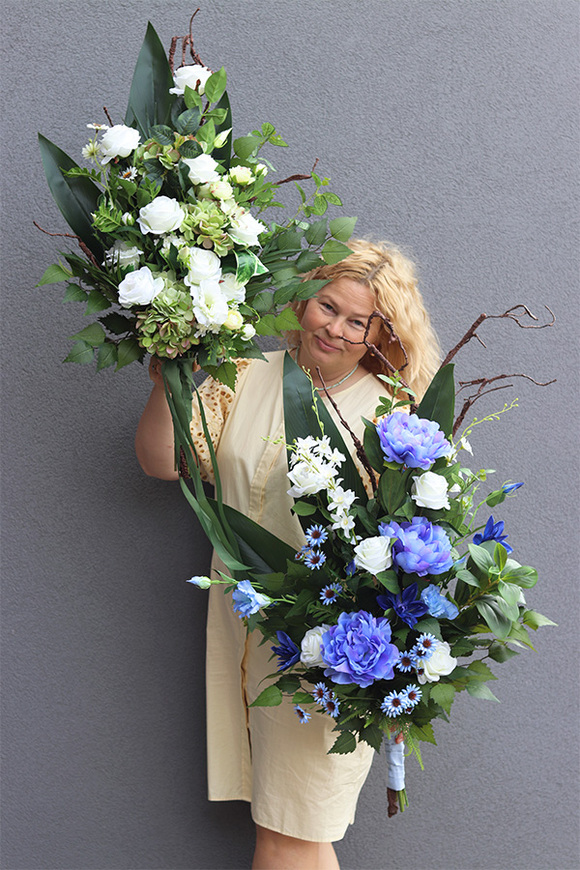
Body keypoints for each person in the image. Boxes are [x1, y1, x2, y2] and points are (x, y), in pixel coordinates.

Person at [135, 239, 441, 869]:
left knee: (292, 828)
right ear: (303, 300)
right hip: (243, 625)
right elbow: (164, 463)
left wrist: (399, 665)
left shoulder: (394, 415)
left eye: (358, 321)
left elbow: (415, 548)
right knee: (284, 827)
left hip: (333, 646)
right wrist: (168, 381)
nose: (335, 328)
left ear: (381, 331)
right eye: (328, 306)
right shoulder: (243, 376)